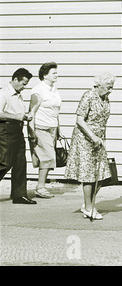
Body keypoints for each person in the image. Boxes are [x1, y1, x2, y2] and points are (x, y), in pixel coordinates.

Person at [65, 72, 116, 220]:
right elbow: (80, 120)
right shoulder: (88, 96)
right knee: (88, 175)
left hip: (98, 140)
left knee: (102, 174)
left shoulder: (105, 98)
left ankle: (88, 203)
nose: (110, 91)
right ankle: (88, 208)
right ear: (98, 85)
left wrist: (100, 138)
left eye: (112, 88)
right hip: (84, 139)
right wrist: (92, 136)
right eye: (108, 87)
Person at [0, 68, 36, 204]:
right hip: (5, 129)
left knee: (20, 162)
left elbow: (18, 113)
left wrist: (25, 116)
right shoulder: (4, 93)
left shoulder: (18, 94)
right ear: (15, 79)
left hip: (17, 130)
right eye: (23, 83)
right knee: (5, 162)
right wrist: (17, 116)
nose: (24, 87)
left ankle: (19, 194)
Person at [28, 62, 62, 199]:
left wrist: (58, 129)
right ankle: (40, 187)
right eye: (54, 73)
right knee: (48, 157)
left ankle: (41, 186)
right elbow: (32, 112)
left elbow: (56, 111)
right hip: (41, 127)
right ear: (44, 75)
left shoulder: (54, 89)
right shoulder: (38, 90)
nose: (56, 75)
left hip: (52, 127)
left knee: (46, 158)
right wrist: (31, 132)